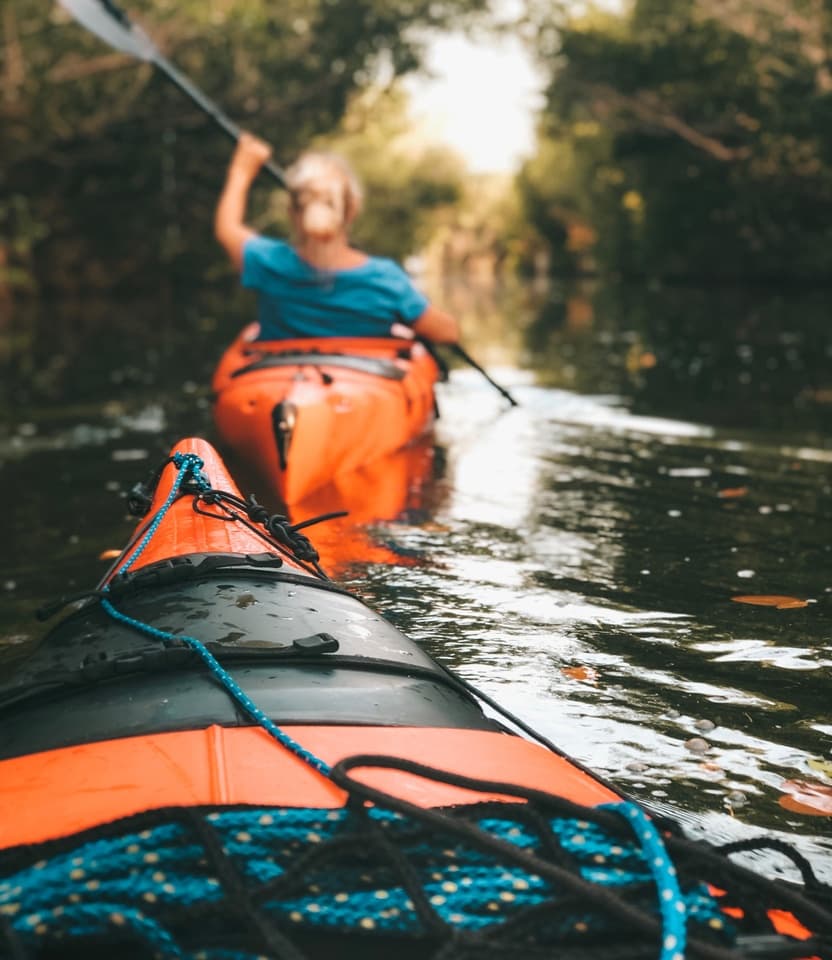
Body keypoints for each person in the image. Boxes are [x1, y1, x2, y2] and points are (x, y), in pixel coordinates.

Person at [214, 133, 459, 344]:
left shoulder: (268, 263)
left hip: (280, 390)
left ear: (291, 212)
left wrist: (241, 170)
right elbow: (447, 333)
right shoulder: (385, 280)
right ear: (352, 210)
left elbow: (227, 228)